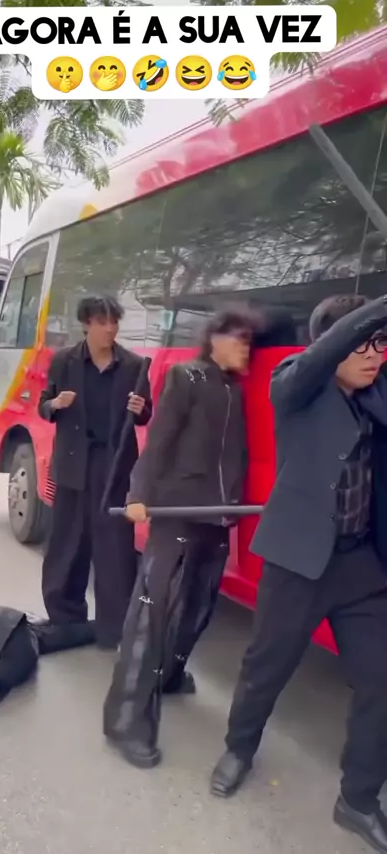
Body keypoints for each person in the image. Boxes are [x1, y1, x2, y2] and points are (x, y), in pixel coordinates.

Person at [210, 294, 387, 854]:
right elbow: (315, 360)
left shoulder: (378, 395)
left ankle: (358, 799)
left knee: (382, 681)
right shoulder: (295, 385)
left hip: (360, 565)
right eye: (361, 344)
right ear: (330, 346)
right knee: (266, 667)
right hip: (298, 561)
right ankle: (239, 748)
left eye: (381, 345)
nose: (374, 356)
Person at [103, 303, 261, 769]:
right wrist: (138, 494)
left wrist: (230, 507)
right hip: (177, 513)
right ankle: (126, 721)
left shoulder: (233, 389)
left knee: (197, 608)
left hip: (217, 518)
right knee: (151, 614)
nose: (247, 350)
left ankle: (169, 674)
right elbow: (160, 442)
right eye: (241, 340)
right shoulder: (187, 376)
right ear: (216, 339)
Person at [39, 296, 152, 650]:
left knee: (114, 548)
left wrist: (141, 408)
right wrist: (56, 404)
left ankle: (113, 628)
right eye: (103, 322)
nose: (110, 329)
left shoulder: (134, 365)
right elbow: (44, 404)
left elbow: (145, 415)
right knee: (68, 542)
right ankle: (65, 618)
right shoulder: (64, 361)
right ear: (86, 323)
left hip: (113, 464)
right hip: (74, 463)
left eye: (114, 322)